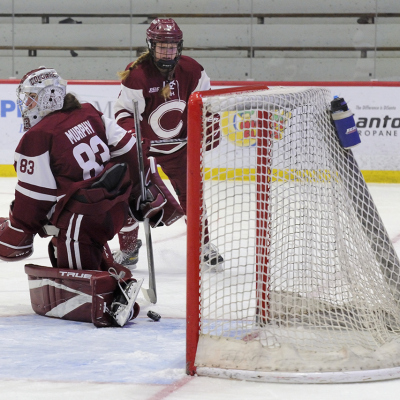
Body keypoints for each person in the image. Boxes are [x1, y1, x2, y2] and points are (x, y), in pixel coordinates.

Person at [0, 67, 183, 327]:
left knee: (84, 285)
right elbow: (131, 149)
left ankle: (119, 293)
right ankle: (111, 274)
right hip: (114, 209)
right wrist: (138, 192)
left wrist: (17, 230)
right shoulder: (88, 112)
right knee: (67, 251)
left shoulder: (37, 138)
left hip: (82, 221)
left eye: (30, 98)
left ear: (47, 98)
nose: (25, 104)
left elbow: (35, 200)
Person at [113, 17, 223, 271]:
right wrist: (133, 136)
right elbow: (123, 113)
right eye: (162, 46)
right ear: (151, 46)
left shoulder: (193, 70)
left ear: (179, 47)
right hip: (145, 148)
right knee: (128, 194)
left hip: (180, 147)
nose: (167, 51)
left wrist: (211, 123)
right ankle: (129, 249)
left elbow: (208, 104)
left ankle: (203, 246)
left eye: (172, 47)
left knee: (192, 196)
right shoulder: (137, 74)